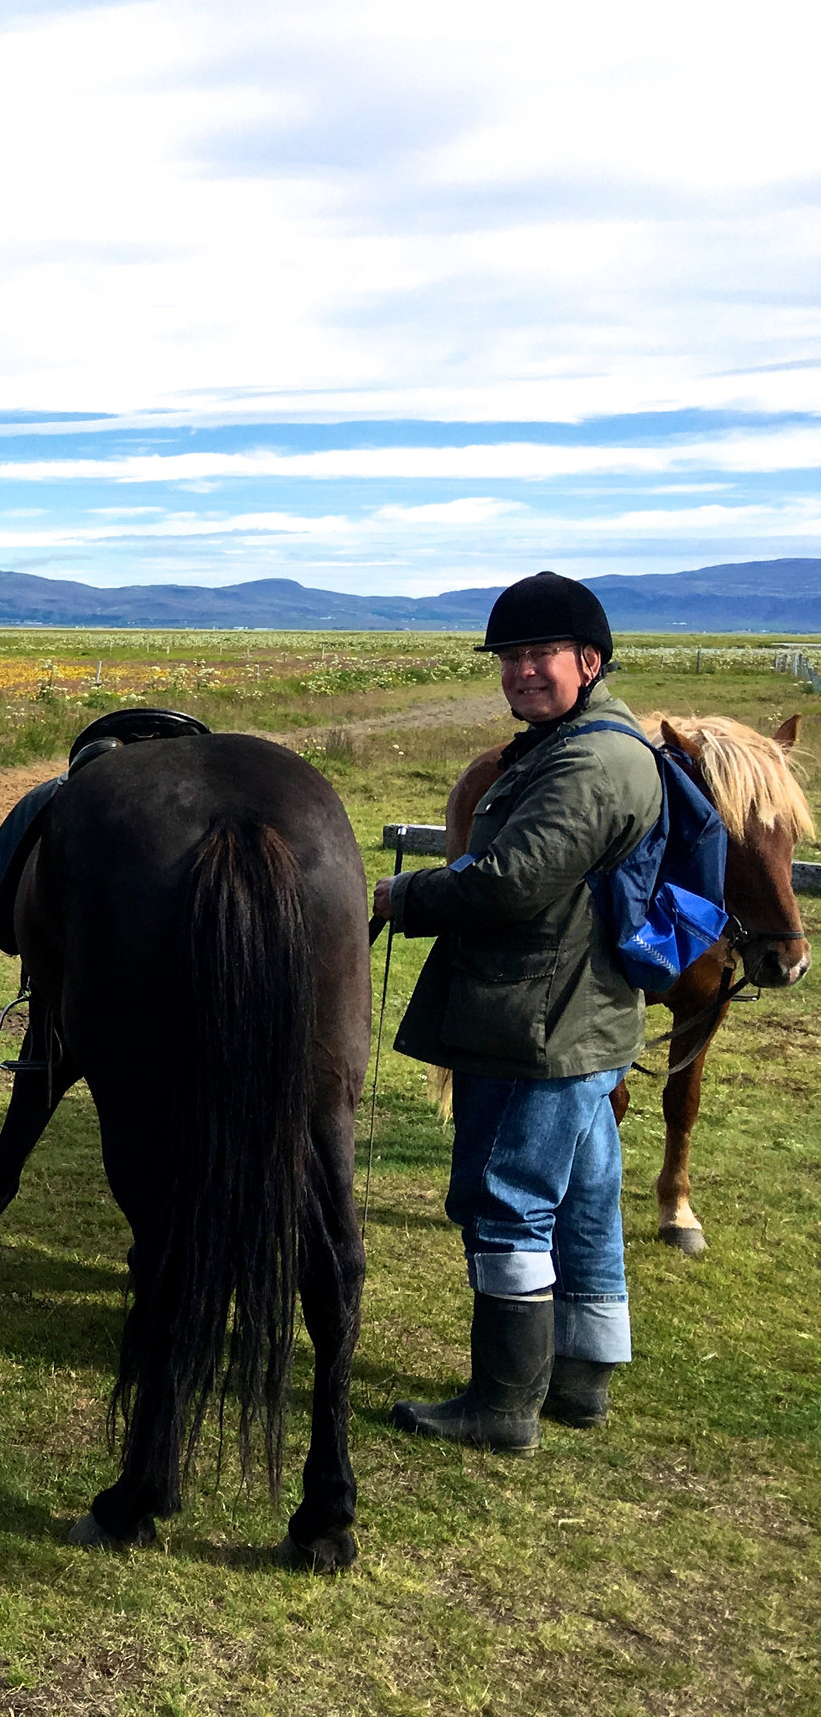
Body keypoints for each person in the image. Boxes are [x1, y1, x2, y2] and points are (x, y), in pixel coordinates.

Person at [377, 571, 661, 1449]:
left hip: (536, 1021)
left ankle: (502, 1403)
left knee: (506, 1199)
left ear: (590, 660)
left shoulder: (589, 761)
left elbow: (509, 881)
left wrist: (397, 895)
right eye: (510, 657)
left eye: (540, 654)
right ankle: (582, 1372)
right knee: (583, 1197)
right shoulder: (577, 743)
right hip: (581, 1015)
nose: (522, 671)